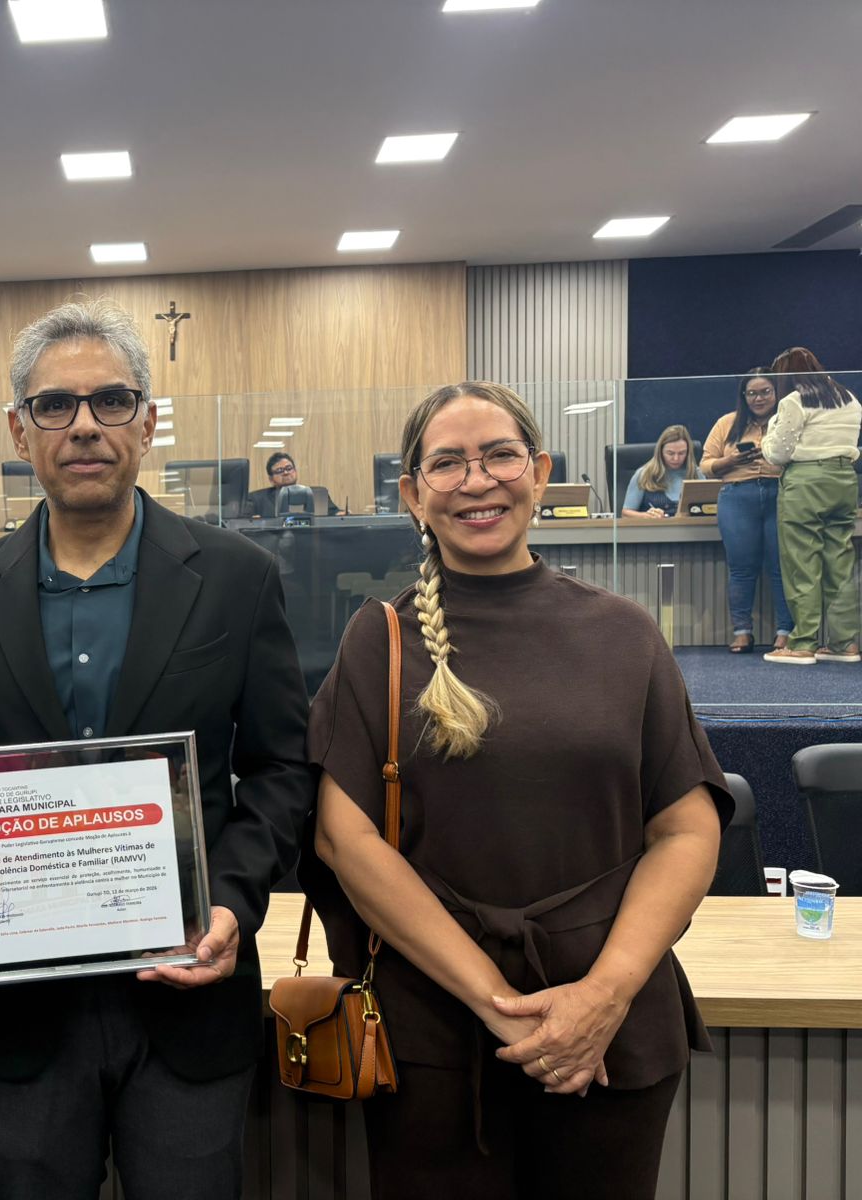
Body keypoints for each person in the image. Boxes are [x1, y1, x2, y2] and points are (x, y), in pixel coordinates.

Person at [0, 299, 313, 1200]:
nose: (86, 426)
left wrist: (230, 906)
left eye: (111, 401)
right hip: (19, 1017)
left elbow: (280, 769)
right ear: (20, 432)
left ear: (147, 422)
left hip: (189, 990)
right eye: (57, 406)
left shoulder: (235, 579)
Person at [303, 381, 729, 1199]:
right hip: (433, 1038)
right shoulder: (377, 641)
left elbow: (686, 827)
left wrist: (602, 997)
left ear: (538, 472)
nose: (477, 480)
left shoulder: (624, 633)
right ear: (412, 494)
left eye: (499, 455)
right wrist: (498, 1002)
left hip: (614, 1028)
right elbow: (343, 841)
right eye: (448, 463)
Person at [760, 346, 861, 665]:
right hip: (845, 480)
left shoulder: (793, 401)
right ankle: (845, 644)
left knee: (801, 561)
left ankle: (803, 642)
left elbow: (777, 454)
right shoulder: (849, 398)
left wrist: (767, 434)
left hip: (805, 482)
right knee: (840, 562)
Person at [700, 370, 794, 653]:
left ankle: (785, 632)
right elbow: (705, 466)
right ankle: (742, 631)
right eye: (752, 393)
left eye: (765, 391)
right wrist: (732, 459)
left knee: (781, 567)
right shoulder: (727, 423)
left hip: (781, 493)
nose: (759, 398)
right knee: (741, 568)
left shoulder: (788, 421)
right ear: (743, 396)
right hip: (737, 495)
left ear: (776, 393)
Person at [621, 424, 700, 518]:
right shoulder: (644, 474)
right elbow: (625, 514)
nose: (676, 458)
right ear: (660, 451)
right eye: (670, 453)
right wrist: (646, 516)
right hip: (653, 530)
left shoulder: (696, 474)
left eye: (682, 453)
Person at [243, 451, 338, 517]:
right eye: (279, 470)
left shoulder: (317, 495)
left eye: (289, 468)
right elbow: (244, 521)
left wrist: (341, 514)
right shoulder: (256, 499)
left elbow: (334, 513)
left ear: (295, 471)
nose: (285, 473)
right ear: (271, 479)